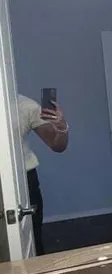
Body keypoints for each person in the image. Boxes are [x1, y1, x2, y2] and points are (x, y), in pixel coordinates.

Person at [15, 94, 69, 255]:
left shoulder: (25, 105)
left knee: (31, 238)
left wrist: (61, 127)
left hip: (24, 180)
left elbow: (57, 146)